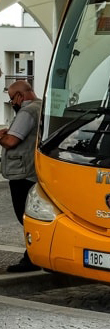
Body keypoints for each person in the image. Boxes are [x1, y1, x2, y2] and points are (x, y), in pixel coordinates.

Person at [0, 80, 42, 272]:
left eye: (11, 99)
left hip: (22, 172)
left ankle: (31, 257)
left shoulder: (26, 111)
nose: (11, 103)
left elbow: (11, 141)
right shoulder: (41, 106)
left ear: (20, 96)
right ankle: (34, 255)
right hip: (33, 170)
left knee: (23, 216)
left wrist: (1, 136)